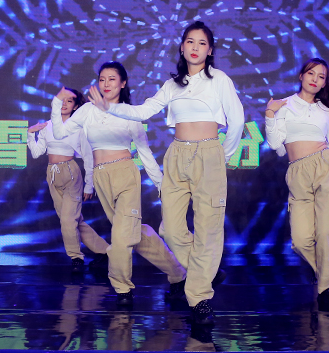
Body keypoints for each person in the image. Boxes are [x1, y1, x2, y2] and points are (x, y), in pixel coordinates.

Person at [89, 21, 244, 326]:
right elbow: (143, 111)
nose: (195, 47)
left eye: (202, 43)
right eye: (190, 42)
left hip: (209, 152)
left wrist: (220, 156)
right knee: (170, 229)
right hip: (177, 155)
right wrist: (108, 107)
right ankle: (205, 272)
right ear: (182, 47)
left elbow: (237, 121)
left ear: (210, 50)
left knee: (208, 229)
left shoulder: (220, 80)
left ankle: (199, 299)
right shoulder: (173, 85)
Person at [52, 62, 186, 306]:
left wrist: (161, 185)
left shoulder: (129, 113)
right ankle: (179, 275)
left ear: (123, 83)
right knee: (135, 233)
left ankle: (123, 290)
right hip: (102, 177)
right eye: (102, 79)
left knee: (122, 236)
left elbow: (144, 152)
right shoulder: (88, 110)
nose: (106, 84)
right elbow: (60, 133)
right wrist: (55, 103)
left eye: (112, 79)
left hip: (125, 174)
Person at [265, 57, 329, 309]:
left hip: (326, 168)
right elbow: (275, 145)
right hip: (297, 173)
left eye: (321, 77)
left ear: (323, 83)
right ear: (301, 75)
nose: (315, 79)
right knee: (300, 241)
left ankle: (325, 288)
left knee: (327, 232)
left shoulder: (326, 113)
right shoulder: (284, 106)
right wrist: (270, 113)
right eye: (311, 73)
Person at [27, 87, 108, 273]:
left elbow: (88, 157)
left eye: (69, 101)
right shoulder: (47, 126)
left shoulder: (78, 128)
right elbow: (37, 153)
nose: (64, 104)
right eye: (62, 100)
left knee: (68, 221)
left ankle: (76, 257)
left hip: (70, 173)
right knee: (73, 221)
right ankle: (105, 251)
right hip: (52, 174)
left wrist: (89, 185)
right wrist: (30, 134)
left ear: (76, 106)